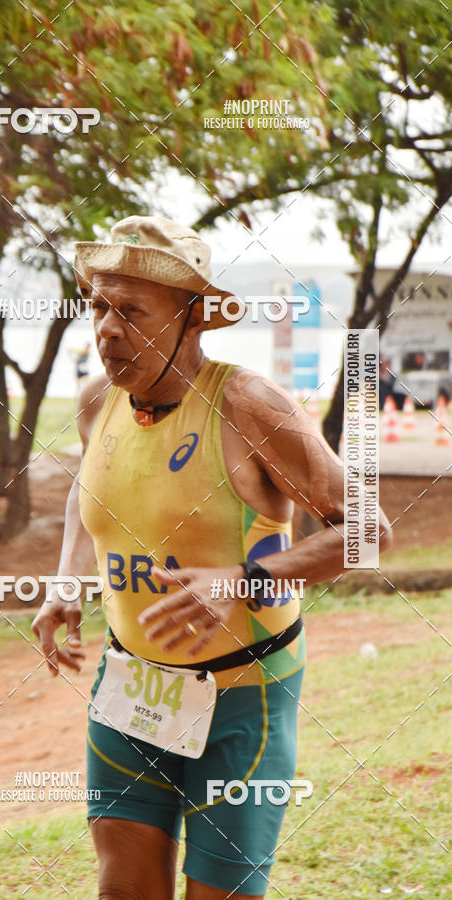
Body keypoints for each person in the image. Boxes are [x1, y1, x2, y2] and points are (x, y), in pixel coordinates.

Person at [32, 215, 393, 899]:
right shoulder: (96, 404)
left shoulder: (248, 405)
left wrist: (243, 580)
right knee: (122, 890)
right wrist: (64, 587)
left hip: (240, 699)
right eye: (99, 307)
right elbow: (95, 492)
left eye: (131, 311)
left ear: (192, 317)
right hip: (131, 690)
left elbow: (366, 529)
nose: (107, 329)